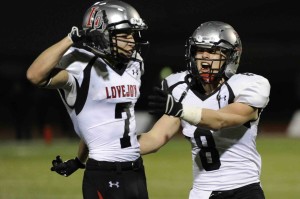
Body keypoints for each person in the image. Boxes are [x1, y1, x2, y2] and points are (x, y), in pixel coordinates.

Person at [26, 0, 149, 198]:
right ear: (102, 35)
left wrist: (79, 160)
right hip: (103, 171)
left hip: (136, 170)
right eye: (125, 35)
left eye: (133, 35)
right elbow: (35, 75)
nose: (132, 42)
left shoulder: (135, 64)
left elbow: (99, 123)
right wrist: (69, 38)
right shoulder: (79, 64)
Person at [138, 21, 270, 199]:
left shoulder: (248, 85)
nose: (204, 57)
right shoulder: (180, 88)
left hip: (244, 189)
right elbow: (154, 139)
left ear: (231, 56)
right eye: (200, 50)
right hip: (202, 193)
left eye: (213, 51)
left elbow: (220, 120)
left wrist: (179, 109)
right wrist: (107, 149)